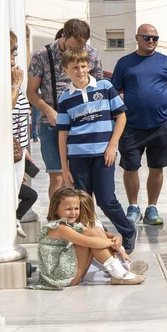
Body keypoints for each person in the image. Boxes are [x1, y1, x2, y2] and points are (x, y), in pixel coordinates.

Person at [54, 48, 136, 254]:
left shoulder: (105, 87)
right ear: (66, 70)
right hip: (77, 156)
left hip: (103, 155)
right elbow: (62, 134)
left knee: (106, 199)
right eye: (75, 67)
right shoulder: (65, 99)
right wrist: (64, 168)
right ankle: (91, 240)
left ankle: (127, 231)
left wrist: (112, 145)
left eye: (83, 66)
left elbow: (121, 117)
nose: (80, 71)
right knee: (82, 201)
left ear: (89, 66)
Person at [112, 24, 167, 229]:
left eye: (155, 38)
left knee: (156, 167)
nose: (151, 41)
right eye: (147, 37)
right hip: (131, 126)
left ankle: (152, 207)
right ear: (137, 38)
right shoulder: (125, 63)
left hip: (161, 125)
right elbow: (114, 92)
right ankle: (133, 207)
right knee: (130, 167)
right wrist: (119, 117)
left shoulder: (166, 62)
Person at [27, 18, 102, 199]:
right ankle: (56, 220)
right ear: (64, 36)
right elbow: (31, 92)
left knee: (82, 175)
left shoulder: (92, 55)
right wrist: (48, 110)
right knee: (57, 176)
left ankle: (84, 218)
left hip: (82, 123)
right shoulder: (42, 55)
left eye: (82, 46)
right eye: (73, 45)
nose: (78, 51)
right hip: (51, 124)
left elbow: (98, 89)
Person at [32, 188, 143, 289]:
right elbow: (88, 241)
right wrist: (111, 243)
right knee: (90, 238)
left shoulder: (70, 225)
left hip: (72, 274)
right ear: (55, 209)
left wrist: (116, 238)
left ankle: (116, 270)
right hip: (60, 278)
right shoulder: (58, 227)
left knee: (95, 230)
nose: (73, 213)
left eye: (76, 208)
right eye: (68, 209)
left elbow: (100, 233)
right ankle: (117, 271)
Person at [11, 32, 38, 222]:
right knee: (21, 195)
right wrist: (15, 86)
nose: (14, 56)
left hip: (17, 152)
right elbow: (4, 112)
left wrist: (24, 150)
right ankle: (13, 222)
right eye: (12, 51)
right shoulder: (11, 83)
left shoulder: (14, 78)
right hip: (8, 156)